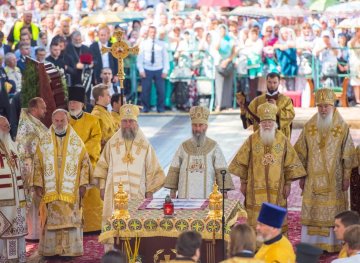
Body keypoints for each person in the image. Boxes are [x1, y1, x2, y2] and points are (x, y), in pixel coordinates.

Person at [93, 104, 165, 248]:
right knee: (114, 226)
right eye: (124, 121)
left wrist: (150, 191)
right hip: (113, 193)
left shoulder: (144, 145)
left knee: (135, 226)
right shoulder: (112, 143)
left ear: (136, 123)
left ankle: (135, 254)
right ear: (120, 122)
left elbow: (153, 169)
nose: (127, 125)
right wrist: (101, 187)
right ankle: (112, 255)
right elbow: (102, 166)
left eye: (130, 121)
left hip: (136, 193)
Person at [294, 88, 357, 252]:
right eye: (320, 106)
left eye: (326, 106)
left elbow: (348, 155)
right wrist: (301, 176)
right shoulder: (309, 126)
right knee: (313, 211)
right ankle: (311, 243)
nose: (323, 110)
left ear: (333, 106)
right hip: (312, 180)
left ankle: (332, 244)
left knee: (333, 212)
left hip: (334, 181)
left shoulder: (341, 127)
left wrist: (346, 176)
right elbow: (300, 152)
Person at [229, 102, 306, 230]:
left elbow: (290, 164)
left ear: (274, 122)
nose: (267, 125)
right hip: (255, 188)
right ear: (260, 123)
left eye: (270, 121)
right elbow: (242, 163)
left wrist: (287, 184)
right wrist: (243, 183)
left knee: (276, 218)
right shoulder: (251, 140)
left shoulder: (282, 140)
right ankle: (256, 244)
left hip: (277, 188)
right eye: (264, 122)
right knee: (256, 218)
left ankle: (275, 243)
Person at [33, 109, 91, 257]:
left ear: (68, 121)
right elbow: (37, 163)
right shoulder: (44, 141)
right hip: (50, 191)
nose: (59, 123)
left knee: (70, 220)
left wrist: (83, 184)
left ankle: (69, 251)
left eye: (62, 121)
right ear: (52, 121)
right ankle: (51, 251)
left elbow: (85, 163)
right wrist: (38, 184)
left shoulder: (76, 142)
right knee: (51, 221)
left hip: (70, 191)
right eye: (56, 121)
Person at [164, 106, 234, 198]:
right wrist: (172, 195)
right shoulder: (183, 146)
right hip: (184, 200)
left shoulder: (214, 146)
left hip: (208, 200)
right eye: (195, 125)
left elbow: (222, 171)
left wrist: (224, 196)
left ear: (206, 126)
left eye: (200, 125)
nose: (197, 129)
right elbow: (174, 170)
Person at [68, 85, 103, 233]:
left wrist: (81, 154)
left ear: (82, 104)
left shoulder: (92, 120)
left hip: (88, 161)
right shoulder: (64, 120)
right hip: (68, 163)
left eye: (75, 102)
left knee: (92, 192)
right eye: (70, 102)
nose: (72, 105)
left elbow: (96, 140)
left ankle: (93, 225)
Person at [16, 97, 48, 240]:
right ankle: (32, 233)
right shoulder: (27, 126)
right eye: (43, 108)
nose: (45, 110)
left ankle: (38, 230)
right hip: (30, 169)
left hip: (39, 167)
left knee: (38, 199)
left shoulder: (36, 123)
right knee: (33, 198)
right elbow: (28, 149)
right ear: (34, 109)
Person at [0, 116, 27, 262]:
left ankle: (16, 259)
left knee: (15, 232)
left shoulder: (13, 146)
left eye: (8, 126)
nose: (7, 129)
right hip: (2, 202)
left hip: (17, 201)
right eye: (3, 126)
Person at [237, 72, 295, 139]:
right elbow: (248, 121)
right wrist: (242, 107)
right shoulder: (257, 100)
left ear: (279, 83)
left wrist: (277, 109)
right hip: (261, 140)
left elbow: (290, 116)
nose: (272, 85)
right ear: (266, 82)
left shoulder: (286, 100)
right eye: (269, 82)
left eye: (275, 82)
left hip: (279, 140)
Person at [137, 25, 169, 113]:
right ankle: (145, 107)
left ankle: (160, 108)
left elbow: (165, 58)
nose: (153, 34)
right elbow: (140, 58)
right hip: (147, 69)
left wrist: (165, 70)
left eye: (154, 32)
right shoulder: (143, 44)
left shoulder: (161, 44)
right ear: (148, 33)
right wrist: (141, 70)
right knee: (145, 90)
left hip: (159, 69)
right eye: (151, 32)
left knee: (161, 90)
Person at [91, 84, 117, 148]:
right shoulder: (96, 115)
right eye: (108, 95)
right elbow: (99, 139)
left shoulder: (105, 111)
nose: (110, 97)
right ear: (100, 97)